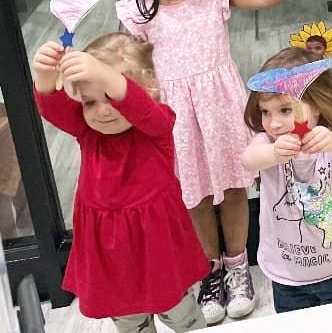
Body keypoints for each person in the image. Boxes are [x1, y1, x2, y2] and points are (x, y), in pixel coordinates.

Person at [115, 0, 300, 324]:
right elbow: (131, 68)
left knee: (234, 187)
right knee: (193, 195)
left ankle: (237, 265)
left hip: (221, 107)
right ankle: (209, 270)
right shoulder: (139, 12)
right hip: (174, 118)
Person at [32, 33, 208, 332]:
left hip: (158, 248)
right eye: (89, 101)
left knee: (181, 315)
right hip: (112, 255)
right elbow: (53, 107)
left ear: (150, 89)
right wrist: (45, 75)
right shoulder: (89, 133)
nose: (101, 111)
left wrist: (104, 76)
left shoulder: (156, 127)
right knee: (129, 320)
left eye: (110, 97)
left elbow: (143, 110)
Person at [242, 47, 332, 312]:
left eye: (285, 110)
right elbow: (249, 160)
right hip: (288, 278)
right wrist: (273, 153)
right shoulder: (266, 142)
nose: (274, 123)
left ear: (318, 104)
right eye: (265, 112)